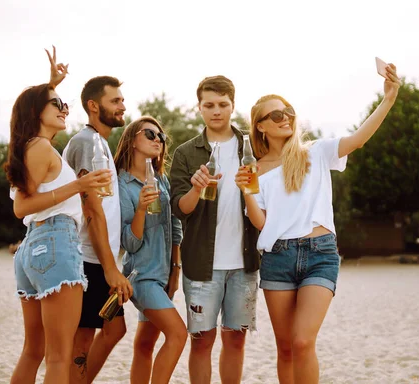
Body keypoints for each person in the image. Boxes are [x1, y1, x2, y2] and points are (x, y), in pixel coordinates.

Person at [237, 63, 401, 384]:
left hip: (320, 255)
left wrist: (388, 99)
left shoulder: (315, 152)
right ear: (260, 127)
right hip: (277, 258)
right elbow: (261, 222)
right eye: (275, 115)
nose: (284, 117)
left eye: (288, 111)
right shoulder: (255, 170)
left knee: (302, 341)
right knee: (285, 349)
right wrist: (245, 191)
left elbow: (358, 139)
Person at [6, 47, 112, 384]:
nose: (66, 109)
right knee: (57, 358)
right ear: (38, 111)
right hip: (55, 243)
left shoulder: (34, 146)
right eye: (58, 104)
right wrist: (78, 186)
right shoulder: (38, 147)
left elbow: (30, 199)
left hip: (33, 249)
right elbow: (22, 206)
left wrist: (51, 84)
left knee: (34, 352)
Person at [170, 75, 261, 384]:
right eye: (209, 105)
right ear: (199, 108)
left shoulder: (252, 147)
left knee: (236, 340)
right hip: (200, 265)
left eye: (223, 104)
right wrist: (195, 189)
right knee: (201, 341)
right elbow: (179, 208)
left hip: (245, 264)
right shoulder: (185, 153)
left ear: (233, 105)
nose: (216, 111)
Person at [63, 75, 133, 384]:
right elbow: (91, 208)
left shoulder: (100, 143)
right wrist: (110, 268)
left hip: (99, 257)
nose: (122, 106)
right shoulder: (85, 141)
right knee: (82, 340)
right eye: (115, 101)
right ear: (94, 105)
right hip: (86, 257)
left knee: (114, 329)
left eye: (121, 100)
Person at [114, 116, 187, 384]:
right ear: (133, 139)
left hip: (163, 275)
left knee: (145, 344)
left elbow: (175, 227)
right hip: (142, 277)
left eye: (161, 137)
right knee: (178, 334)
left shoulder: (161, 180)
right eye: (150, 134)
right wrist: (142, 208)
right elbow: (129, 243)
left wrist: (175, 271)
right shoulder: (121, 185)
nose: (158, 140)